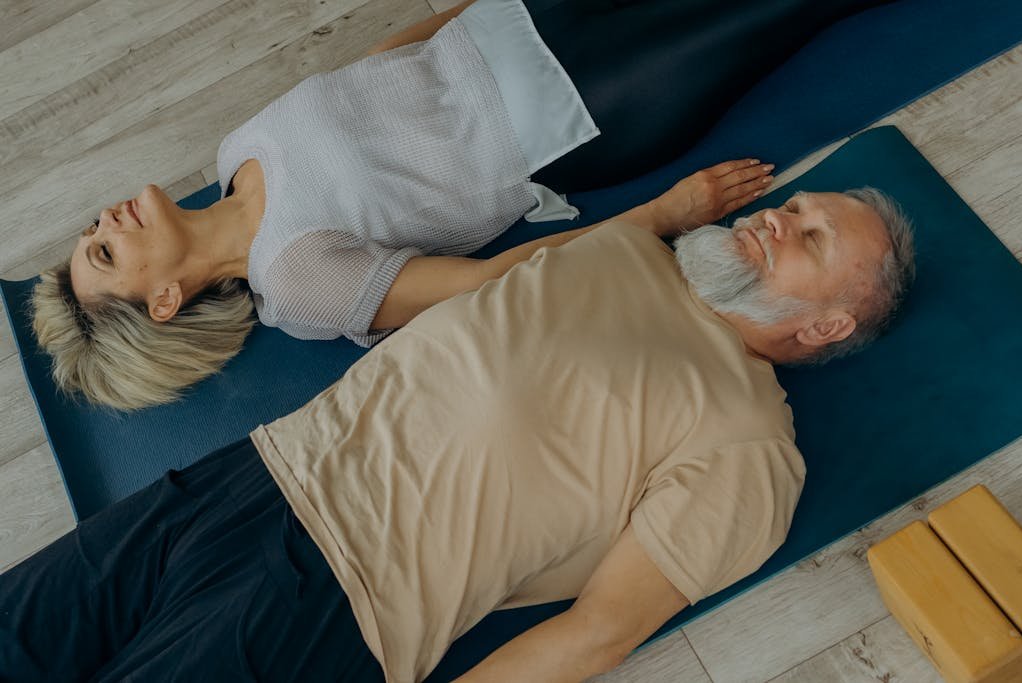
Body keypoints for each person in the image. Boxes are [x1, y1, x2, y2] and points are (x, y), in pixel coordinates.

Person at [1, 188, 915, 682]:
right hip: (254, 473)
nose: (777, 215)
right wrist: (671, 209)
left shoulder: (752, 446)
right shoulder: (632, 248)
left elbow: (597, 632)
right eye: (797, 202)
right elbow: (535, 265)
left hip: (342, 599)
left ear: (825, 325)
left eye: (810, 236)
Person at [29, 0, 889, 410]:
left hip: (527, 24)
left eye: (89, 233)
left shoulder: (235, 151)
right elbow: (497, 280)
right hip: (588, 108)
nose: (104, 222)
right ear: (166, 301)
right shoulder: (297, 284)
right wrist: (664, 212)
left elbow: (376, 62)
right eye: (104, 253)